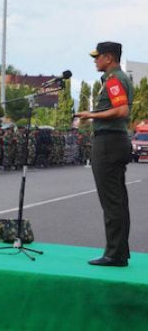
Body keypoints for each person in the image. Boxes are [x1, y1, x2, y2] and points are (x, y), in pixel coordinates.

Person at [75, 41, 134, 267]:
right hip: (115, 141)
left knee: (111, 201)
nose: (95, 60)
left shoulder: (114, 79)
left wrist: (91, 115)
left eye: (97, 57)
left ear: (109, 58)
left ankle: (114, 254)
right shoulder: (113, 79)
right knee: (117, 200)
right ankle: (118, 251)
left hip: (109, 141)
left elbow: (121, 110)